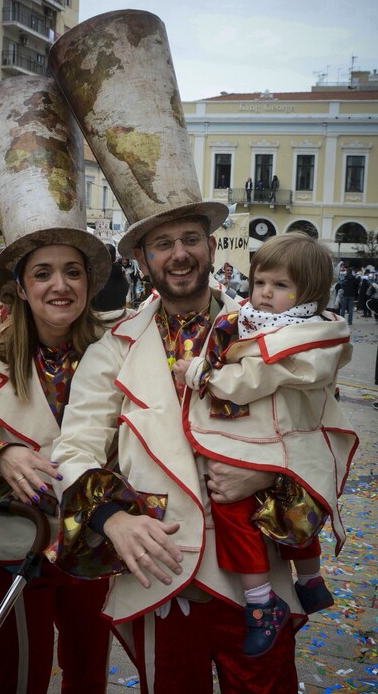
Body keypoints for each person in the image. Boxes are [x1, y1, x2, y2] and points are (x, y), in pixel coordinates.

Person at [47, 9, 308, 692]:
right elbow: (74, 450)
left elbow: (322, 429)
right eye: (161, 243)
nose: (179, 254)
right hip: (163, 574)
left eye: (190, 237)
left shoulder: (274, 333)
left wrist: (269, 473)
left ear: (210, 243)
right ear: (142, 257)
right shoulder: (113, 348)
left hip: (256, 576)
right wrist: (113, 517)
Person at [0, 75, 113, 694]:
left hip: (97, 536)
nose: (59, 285)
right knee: (19, 670)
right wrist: (0, 453)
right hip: (20, 538)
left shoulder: (119, 350)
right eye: (43, 273)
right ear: (21, 286)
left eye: (72, 272)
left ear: (89, 284)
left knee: (91, 667)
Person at [173, 233, 357, 657]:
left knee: (241, 509)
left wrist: (202, 373)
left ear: (307, 292)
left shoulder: (301, 339)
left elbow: (254, 380)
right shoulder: (278, 323)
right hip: (279, 440)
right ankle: (310, 582)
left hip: (277, 441)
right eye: (260, 282)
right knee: (295, 507)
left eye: (280, 285)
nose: (265, 293)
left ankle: (263, 603)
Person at [92, 242, 129, 312]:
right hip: (120, 316)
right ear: (115, 258)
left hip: (99, 317)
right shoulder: (121, 276)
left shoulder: (95, 278)